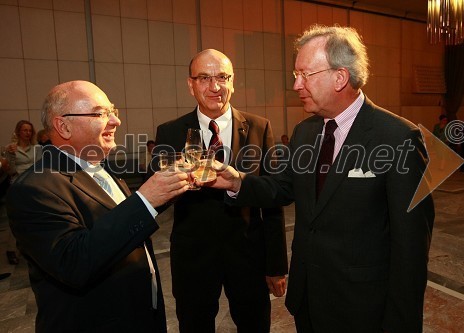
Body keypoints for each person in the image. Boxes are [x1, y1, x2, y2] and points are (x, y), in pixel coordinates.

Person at [207, 25, 435, 332]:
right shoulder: (306, 131)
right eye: (295, 75)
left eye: (304, 74)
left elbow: (410, 249)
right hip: (308, 300)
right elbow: (284, 186)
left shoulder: (397, 138)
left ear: (340, 77)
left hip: (362, 308)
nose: (296, 84)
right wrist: (236, 182)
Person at [6, 80, 189, 332]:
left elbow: (118, 224)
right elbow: (74, 262)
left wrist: (167, 193)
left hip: (140, 314)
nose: (115, 121)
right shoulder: (34, 188)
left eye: (113, 111)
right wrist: (145, 200)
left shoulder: (99, 166)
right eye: (101, 113)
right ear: (63, 125)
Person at [153, 49, 288, 332]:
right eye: (204, 78)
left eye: (222, 77)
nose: (215, 87)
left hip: (248, 256)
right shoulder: (170, 132)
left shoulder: (259, 128)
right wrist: (173, 180)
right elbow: (158, 198)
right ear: (191, 85)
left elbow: (272, 195)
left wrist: (276, 264)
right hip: (193, 258)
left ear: (233, 81)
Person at [4, 120, 42, 265]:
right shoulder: (11, 148)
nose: (27, 133)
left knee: (35, 216)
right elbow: (10, 170)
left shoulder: (37, 148)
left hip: (33, 185)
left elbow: (39, 168)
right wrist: (11, 155)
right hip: (17, 185)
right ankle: (11, 249)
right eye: (24, 130)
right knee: (15, 217)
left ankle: (31, 248)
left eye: (30, 130)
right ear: (18, 131)